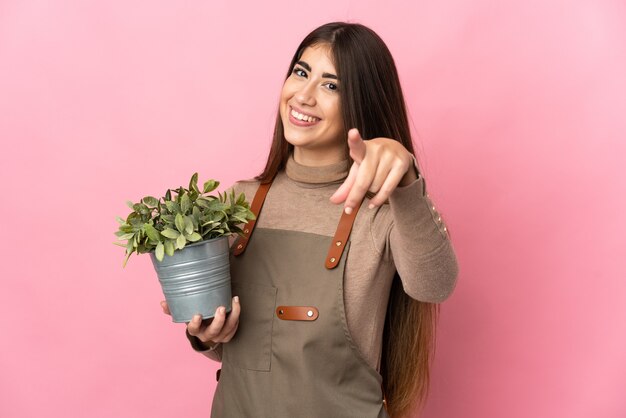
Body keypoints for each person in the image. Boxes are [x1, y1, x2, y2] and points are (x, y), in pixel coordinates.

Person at [160, 22, 458, 418]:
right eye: (301, 73)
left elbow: (435, 285)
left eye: (331, 85)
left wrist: (406, 179)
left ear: (361, 103)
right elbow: (246, 351)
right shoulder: (237, 203)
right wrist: (205, 334)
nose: (303, 95)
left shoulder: (385, 209)